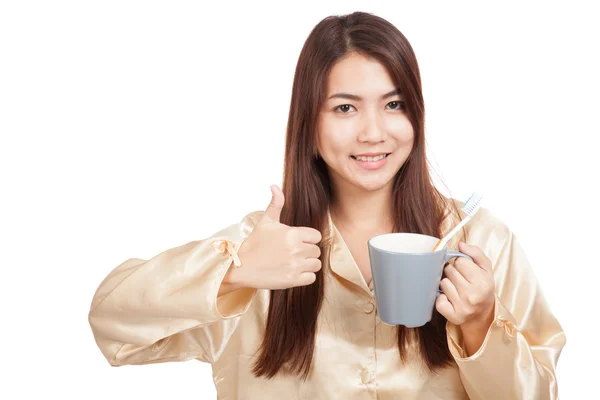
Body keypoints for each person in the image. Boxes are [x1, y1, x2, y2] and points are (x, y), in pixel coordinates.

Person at [88, 11, 566, 399]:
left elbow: (540, 393)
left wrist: (482, 325)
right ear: (309, 122)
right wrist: (231, 272)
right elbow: (112, 325)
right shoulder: (262, 249)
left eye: (394, 104)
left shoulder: (479, 242)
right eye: (345, 108)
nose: (374, 132)